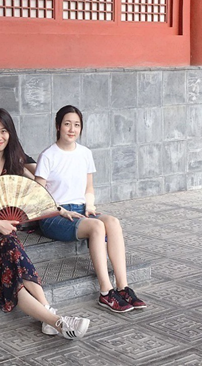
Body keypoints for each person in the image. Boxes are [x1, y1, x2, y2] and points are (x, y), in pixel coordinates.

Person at [0, 108, 90, 339]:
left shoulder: (15, 162)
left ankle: (52, 318)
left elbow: (34, 194)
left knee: (10, 258)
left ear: (10, 133)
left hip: (3, 234)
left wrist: (58, 209)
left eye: (3, 131)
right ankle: (54, 319)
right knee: (9, 257)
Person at [35, 105, 147, 313]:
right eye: (67, 124)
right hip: (53, 215)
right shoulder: (48, 155)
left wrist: (90, 206)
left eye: (77, 125)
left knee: (112, 222)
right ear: (58, 126)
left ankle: (123, 287)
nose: (72, 129)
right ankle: (105, 292)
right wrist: (59, 210)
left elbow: (89, 187)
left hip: (80, 210)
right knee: (96, 227)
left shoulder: (85, 153)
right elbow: (37, 196)